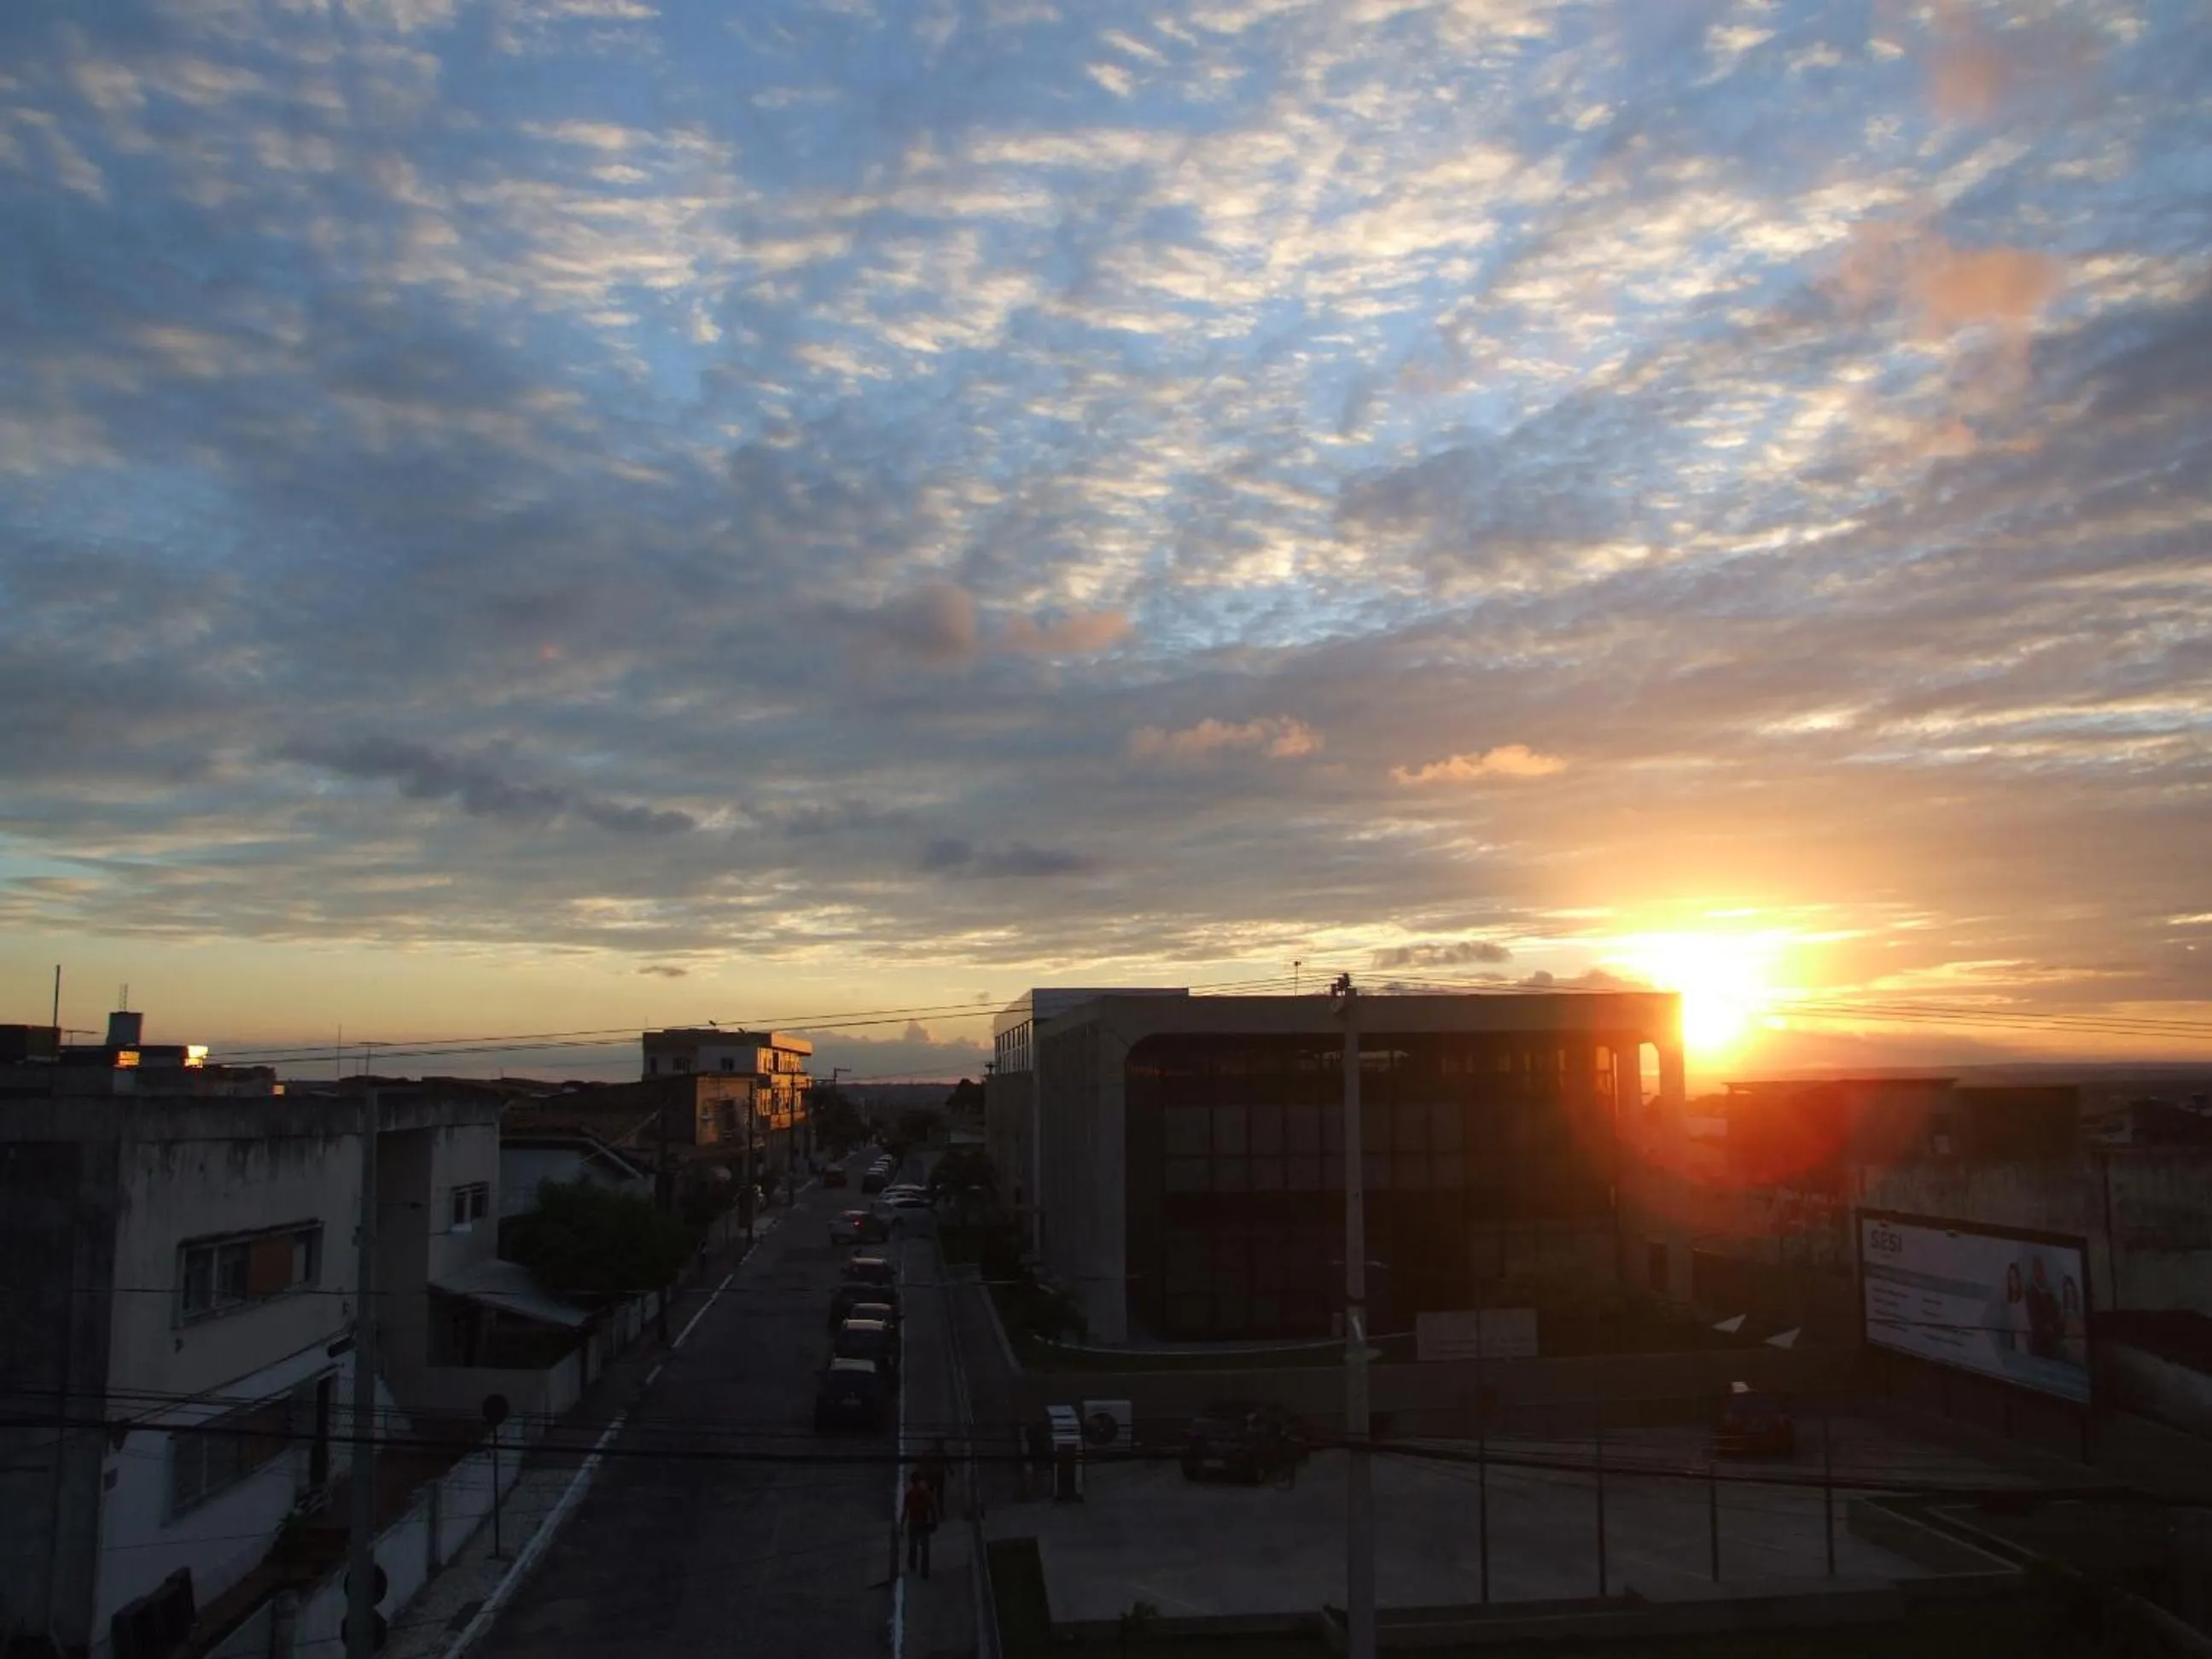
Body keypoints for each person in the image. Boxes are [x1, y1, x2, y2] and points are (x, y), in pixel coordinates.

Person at [902, 1468, 940, 1579]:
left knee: (912, 1546)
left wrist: (901, 1527)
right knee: (925, 1549)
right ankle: (924, 1572)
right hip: (923, 1523)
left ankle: (913, 1566)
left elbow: (905, 1512)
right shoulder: (926, 1494)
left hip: (913, 1523)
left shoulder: (909, 1495)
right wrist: (935, 1522)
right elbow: (933, 1509)